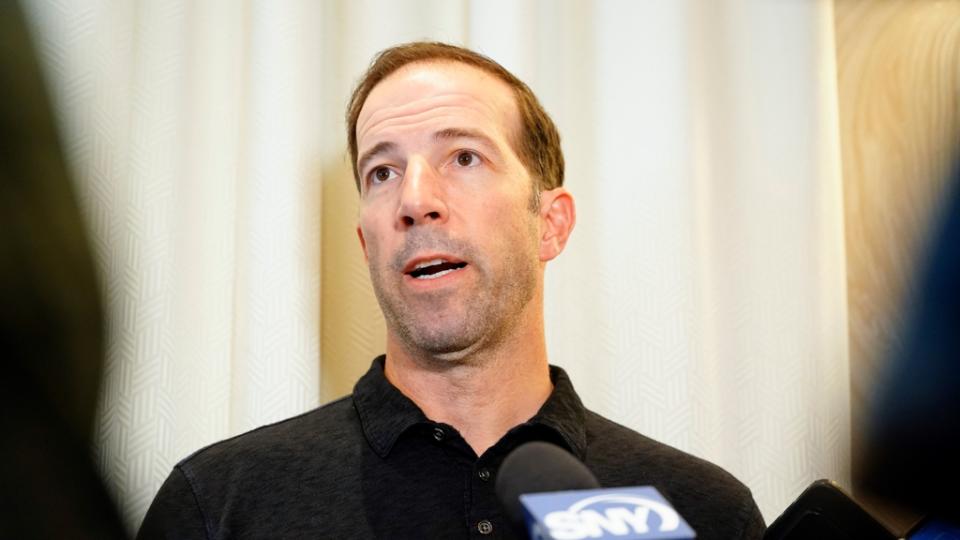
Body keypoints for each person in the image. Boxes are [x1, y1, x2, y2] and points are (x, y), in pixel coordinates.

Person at [138, 41, 765, 539]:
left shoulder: (701, 511)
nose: (414, 200)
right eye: (381, 172)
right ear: (366, 243)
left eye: (464, 157)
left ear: (550, 224)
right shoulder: (219, 504)